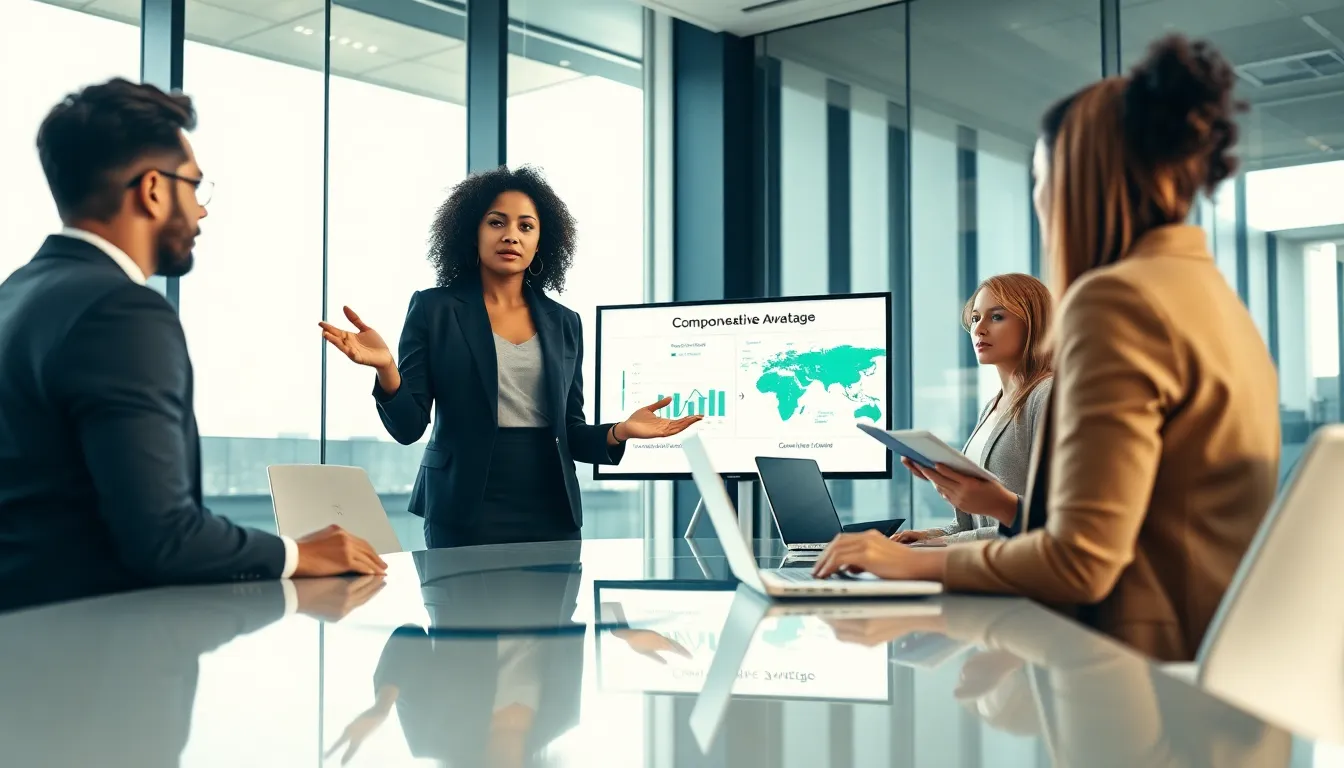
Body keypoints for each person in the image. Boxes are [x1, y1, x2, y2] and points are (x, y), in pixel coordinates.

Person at [813, 34, 1281, 662]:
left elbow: (1079, 563)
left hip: (1132, 677)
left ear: (1075, 183)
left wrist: (908, 565)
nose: (1039, 202)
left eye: (1039, 180)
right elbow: (1113, 534)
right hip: (1207, 666)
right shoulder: (1210, 297)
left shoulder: (1117, 301)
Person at [0, 78, 385, 613]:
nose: (201, 211)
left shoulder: (14, 298)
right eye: (194, 186)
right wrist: (297, 554)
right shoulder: (122, 312)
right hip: (96, 667)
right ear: (154, 189)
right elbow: (164, 537)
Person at [321, 166, 701, 549]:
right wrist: (387, 368)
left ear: (541, 241)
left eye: (525, 226)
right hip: (461, 506)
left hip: (552, 507)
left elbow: (570, 431)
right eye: (496, 222)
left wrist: (620, 431)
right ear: (473, 231)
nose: (510, 236)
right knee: (462, 612)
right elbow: (408, 428)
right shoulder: (433, 308)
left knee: (553, 611)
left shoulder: (565, 322)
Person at [894, 273, 1053, 544]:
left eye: (997, 317)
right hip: (989, 568)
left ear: (1033, 324)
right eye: (976, 318)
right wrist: (928, 535)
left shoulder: (1046, 394)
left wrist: (939, 545)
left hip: (1021, 573)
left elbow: (1048, 518)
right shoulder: (993, 406)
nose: (979, 329)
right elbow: (972, 523)